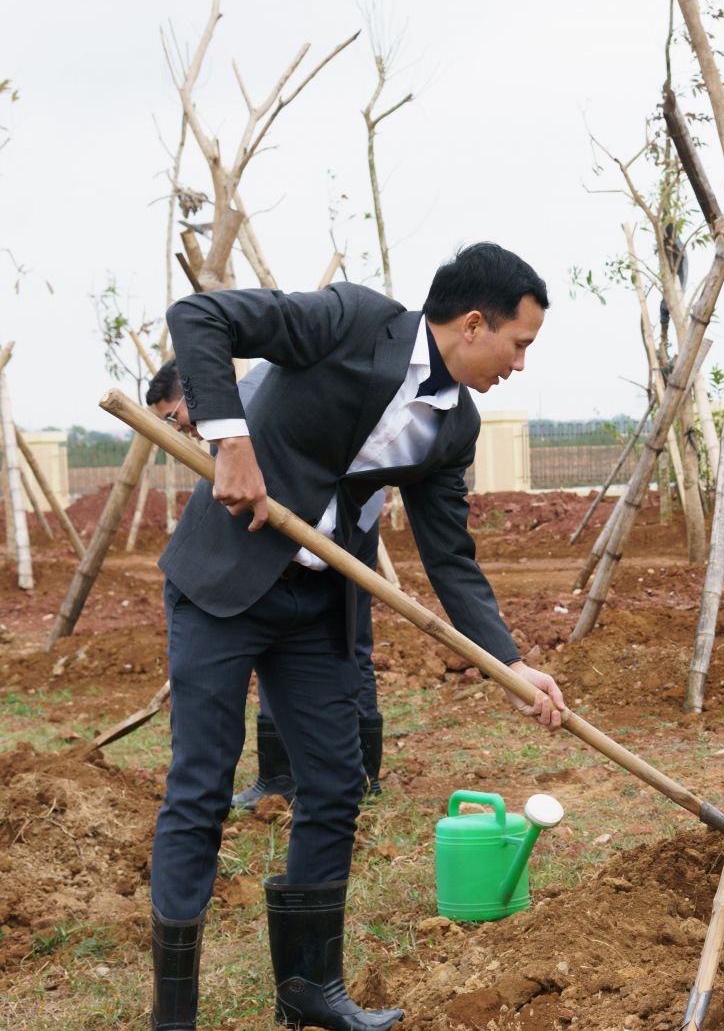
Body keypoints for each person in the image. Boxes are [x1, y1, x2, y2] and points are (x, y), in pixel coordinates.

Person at [144, 243, 567, 1031]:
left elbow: (450, 556)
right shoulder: (351, 322)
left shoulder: (455, 425)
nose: (520, 364)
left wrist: (508, 662)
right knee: (201, 786)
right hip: (225, 583)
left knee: (335, 784)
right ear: (475, 324)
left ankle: (310, 987)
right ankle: (174, 1016)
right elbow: (199, 316)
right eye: (519, 343)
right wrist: (231, 440)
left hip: (317, 603)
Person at [147, 360, 387, 812]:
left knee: (329, 640)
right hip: (335, 519)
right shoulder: (243, 403)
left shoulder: (244, 408)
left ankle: (332, 776)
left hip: (339, 524)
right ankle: (338, 777)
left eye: (173, 417)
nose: (180, 430)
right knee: (335, 639)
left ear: (191, 393)